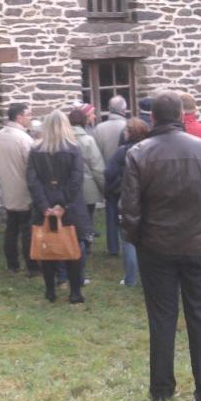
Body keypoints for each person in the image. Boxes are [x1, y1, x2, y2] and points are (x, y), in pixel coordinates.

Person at [120, 91, 201, 401]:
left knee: (162, 318)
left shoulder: (141, 153)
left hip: (160, 246)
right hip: (194, 245)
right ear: (183, 116)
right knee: (198, 316)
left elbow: (129, 209)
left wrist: (138, 239)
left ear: (153, 117)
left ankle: (162, 388)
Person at [26, 111, 93, 304]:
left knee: (48, 246)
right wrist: (62, 204)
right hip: (70, 205)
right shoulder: (73, 149)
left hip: (48, 203)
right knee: (73, 247)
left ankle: (50, 289)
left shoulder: (36, 150)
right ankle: (75, 291)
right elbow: (76, 180)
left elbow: (33, 181)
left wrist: (45, 206)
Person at [0, 103, 38, 274]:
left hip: (8, 188)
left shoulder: (0, 135)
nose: (30, 117)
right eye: (28, 114)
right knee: (27, 230)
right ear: (19, 117)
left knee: (11, 228)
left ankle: (12, 263)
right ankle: (31, 265)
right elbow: (31, 165)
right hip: (23, 189)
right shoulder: (23, 138)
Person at [104, 118, 150, 287]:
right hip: (149, 197)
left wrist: (112, 189)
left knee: (128, 238)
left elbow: (109, 173)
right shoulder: (152, 149)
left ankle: (131, 278)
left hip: (128, 197)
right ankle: (148, 277)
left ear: (130, 133)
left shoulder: (123, 151)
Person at [68, 107, 105, 278]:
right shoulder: (88, 140)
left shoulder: (65, 139)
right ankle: (86, 245)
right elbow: (96, 165)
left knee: (72, 217)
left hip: (69, 186)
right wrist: (104, 186)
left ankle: (73, 244)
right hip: (87, 184)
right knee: (87, 216)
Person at [93, 95, 128, 255]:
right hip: (126, 175)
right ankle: (128, 245)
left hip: (108, 175)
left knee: (111, 210)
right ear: (123, 110)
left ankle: (113, 247)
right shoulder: (128, 125)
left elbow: (96, 155)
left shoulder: (99, 128)